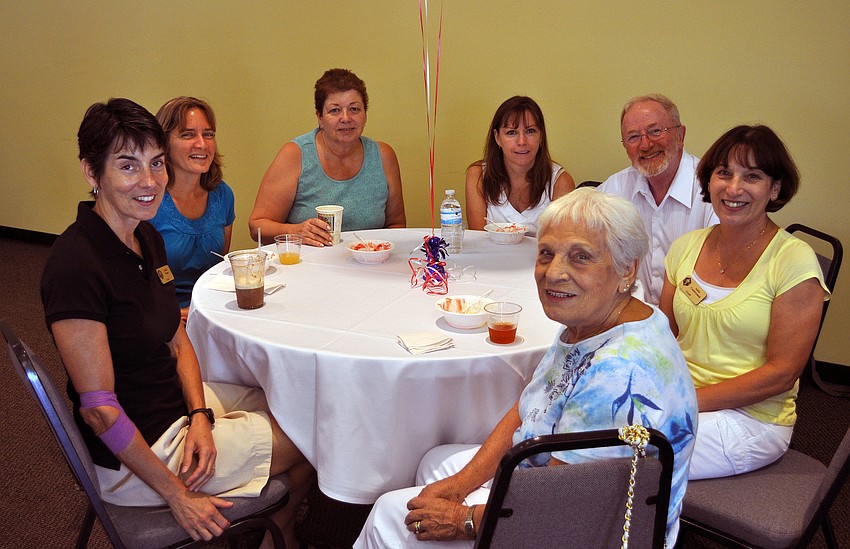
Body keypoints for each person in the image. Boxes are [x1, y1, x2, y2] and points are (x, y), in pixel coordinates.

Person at [355, 188, 698, 548]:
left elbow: (561, 511)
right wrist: (458, 486)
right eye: (547, 253)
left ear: (627, 269)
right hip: (557, 487)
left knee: (389, 514)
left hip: (596, 533)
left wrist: (462, 520)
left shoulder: (618, 375)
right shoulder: (597, 321)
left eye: (581, 257)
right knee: (435, 463)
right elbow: (529, 407)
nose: (554, 272)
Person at [40, 98, 313, 548]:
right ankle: (277, 537)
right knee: (314, 436)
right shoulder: (76, 265)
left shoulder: (143, 234)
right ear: (91, 172)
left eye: (156, 163)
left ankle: (270, 526)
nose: (149, 182)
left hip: (171, 405)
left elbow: (178, 339)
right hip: (141, 452)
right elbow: (100, 410)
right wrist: (176, 493)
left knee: (297, 401)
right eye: (128, 166)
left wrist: (200, 416)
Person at [660, 125, 829, 480]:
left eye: (752, 176)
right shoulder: (685, 247)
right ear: (709, 180)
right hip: (680, 399)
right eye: (724, 173)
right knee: (586, 423)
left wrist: (687, 402)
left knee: (626, 455)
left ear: (775, 188)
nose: (734, 188)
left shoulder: (793, 260)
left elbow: (782, 374)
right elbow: (663, 338)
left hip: (751, 420)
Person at [249, 68, 406, 247]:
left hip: (368, 261)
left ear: (365, 114)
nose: (346, 118)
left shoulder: (383, 156)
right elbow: (257, 226)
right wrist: (296, 231)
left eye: (354, 109)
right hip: (306, 262)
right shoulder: (295, 155)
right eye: (335, 110)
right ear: (320, 118)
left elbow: (396, 225)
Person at [598, 94, 718, 306]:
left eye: (655, 131)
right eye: (633, 137)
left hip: (694, 317)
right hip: (631, 315)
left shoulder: (713, 189)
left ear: (680, 135)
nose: (645, 145)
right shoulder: (616, 187)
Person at [150, 96, 235, 320]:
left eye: (208, 134)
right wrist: (178, 314)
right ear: (163, 143)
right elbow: (132, 285)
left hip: (212, 310)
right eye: (188, 135)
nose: (202, 144)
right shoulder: (148, 201)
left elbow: (217, 266)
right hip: (163, 316)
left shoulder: (223, 194)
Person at [465, 96, 575, 236]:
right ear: (497, 138)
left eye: (530, 131)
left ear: (541, 136)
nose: (522, 141)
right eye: (512, 132)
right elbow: (479, 240)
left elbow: (560, 244)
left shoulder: (561, 181)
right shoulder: (478, 175)